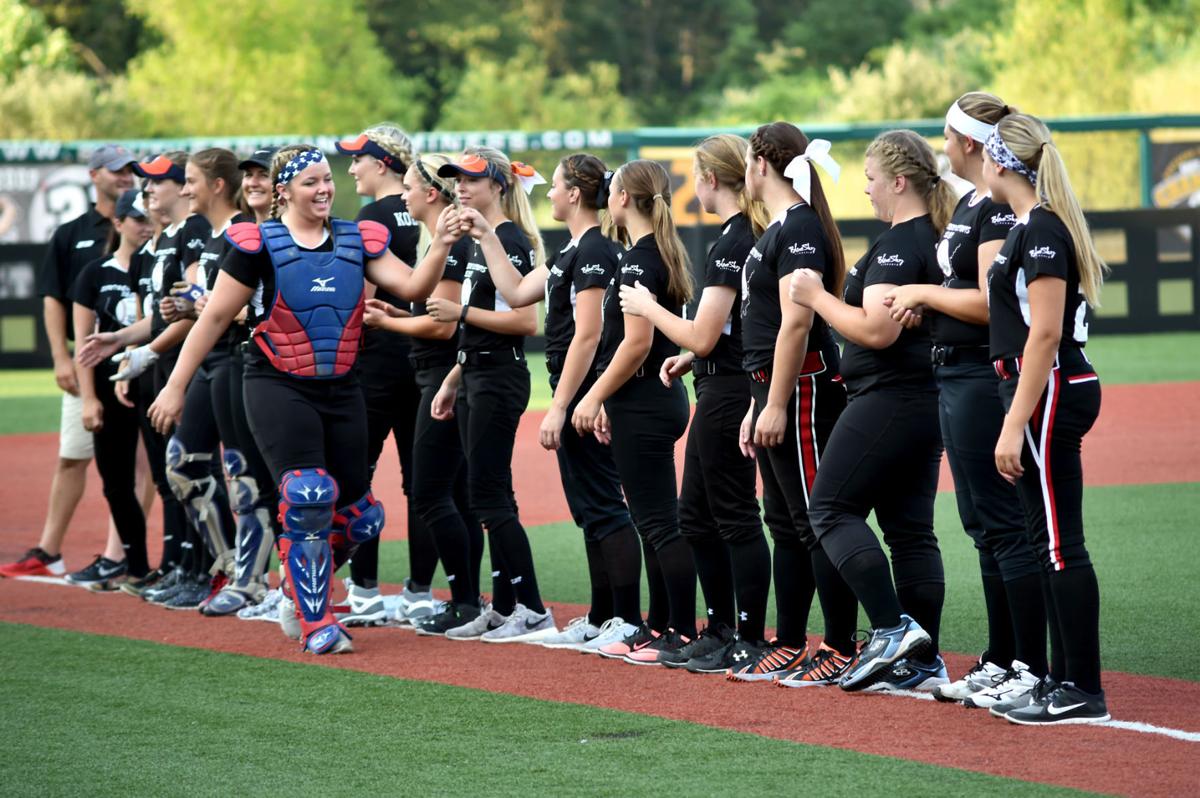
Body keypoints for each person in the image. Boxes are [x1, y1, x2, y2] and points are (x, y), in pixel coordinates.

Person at [148, 144, 448, 654]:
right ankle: (316, 621)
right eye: (311, 182)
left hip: (342, 386)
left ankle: (297, 575)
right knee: (308, 495)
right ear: (283, 190)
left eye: (327, 180)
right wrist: (175, 386)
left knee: (362, 518)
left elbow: (415, 285)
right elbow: (215, 318)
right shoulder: (255, 243)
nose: (325, 189)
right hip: (274, 383)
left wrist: (440, 240)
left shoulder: (359, 240)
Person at [885, 93, 1048, 705]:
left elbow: (986, 301)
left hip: (981, 375)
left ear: (971, 143)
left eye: (949, 135)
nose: (942, 144)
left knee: (1003, 525)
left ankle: (1027, 662)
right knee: (982, 525)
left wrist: (922, 291)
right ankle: (1003, 657)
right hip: (952, 374)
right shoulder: (974, 201)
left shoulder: (998, 210)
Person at [789, 129, 953, 693]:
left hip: (889, 397)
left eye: (871, 178)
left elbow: (875, 331)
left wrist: (816, 297)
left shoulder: (900, 243)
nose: (865, 189)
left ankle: (890, 629)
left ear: (899, 182)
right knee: (910, 532)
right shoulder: (934, 235)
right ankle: (922, 660)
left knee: (830, 510)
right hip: (923, 398)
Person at [461, 152, 642, 652]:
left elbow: (588, 335)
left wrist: (561, 405)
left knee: (604, 506)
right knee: (588, 508)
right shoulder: (572, 250)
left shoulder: (597, 250)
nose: (551, 194)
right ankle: (603, 615)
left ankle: (626, 620)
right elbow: (517, 292)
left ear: (575, 195)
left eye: (557, 186)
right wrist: (486, 234)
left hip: (584, 390)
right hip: (575, 385)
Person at [710, 123, 860, 686]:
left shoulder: (799, 228)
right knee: (784, 522)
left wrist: (774, 401)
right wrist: (757, 402)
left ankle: (842, 644)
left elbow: (797, 324)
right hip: (773, 389)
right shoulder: (780, 227)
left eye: (748, 161)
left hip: (801, 388)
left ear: (760, 166)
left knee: (812, 519)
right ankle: (792, 640)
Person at [617, 135, 772, 673]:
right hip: (718, 382)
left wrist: (647, 307)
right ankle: (722, 628)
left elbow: (707, 335)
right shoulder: (737, 234)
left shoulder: (735, 239)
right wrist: (690, 356)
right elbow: (719, 334)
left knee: (732, 515)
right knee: (696, 516)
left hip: (729, 392)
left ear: (709, 179)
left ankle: (747, 635)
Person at [980, 113, 1109, 725]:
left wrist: (1013, 423)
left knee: (1059, 544)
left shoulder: (1042, 230)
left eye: (987, 153)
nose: (981, 162)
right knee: (1044, 541)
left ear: (1003, 163)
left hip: (1050, 386)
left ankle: (1082, 687)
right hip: (1038, 388)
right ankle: (1060, 678)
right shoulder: (1030, 227)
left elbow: (1047, 333)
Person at [424, 148, 557, 643]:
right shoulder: (481, 237)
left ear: (498, 186)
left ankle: (534, 609)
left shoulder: (507, 238)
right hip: (476, 376)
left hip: (500, 377)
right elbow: (481, 325)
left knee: (488, 496)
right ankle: (505, 608)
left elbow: (525, 321)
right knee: (493, 495)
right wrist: (453, 379)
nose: (460, 186)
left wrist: (460, 315)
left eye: (471, 179)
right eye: (456, 179)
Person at [571, 159, 698, 665]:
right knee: (655, 520)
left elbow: (636, 345)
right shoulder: (650, 254)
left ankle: (681, 631)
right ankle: (661, 626)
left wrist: (593, 395)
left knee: (659, 522)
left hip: (645, 401)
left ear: (624, 199)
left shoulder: (638, 260)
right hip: (652, 400)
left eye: (612, 189)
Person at [0, 145, 136, 582]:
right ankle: (49, 550)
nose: (126, 177)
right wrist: (62, 357)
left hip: (136, 360)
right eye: (116, 171)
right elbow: (54, 300)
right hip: (87, 364)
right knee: (72, 456)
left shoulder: (146, 226)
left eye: (130, 170)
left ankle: (122, 554)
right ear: (94, 175)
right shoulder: (71, 232)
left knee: (138, 465)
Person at [363, 154, 484, 636]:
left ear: (431, 194)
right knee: (452, 494)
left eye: (410, 187)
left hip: (445, 376)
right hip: (436, 376)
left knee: (434, 495)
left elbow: (443, 322)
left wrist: (389, 320)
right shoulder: (432, 242)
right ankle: (470, 600)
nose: (403, 195)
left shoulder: (448, 246)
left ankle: (466, 601)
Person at [336, 125, 439, 626]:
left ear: (382, 163)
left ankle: (366, 591)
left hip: (375, 362)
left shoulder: (369, 217)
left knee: (359, 478)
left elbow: (349, 296)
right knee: (422, 483)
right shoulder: (429, 210)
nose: (352, 168)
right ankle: (420, 591)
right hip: (425, 360)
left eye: (358, 159)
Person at [69, 188, 154, 591]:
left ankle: (188, 563)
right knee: (115, 480)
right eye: (136, 219)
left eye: (147, 217)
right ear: (118, 223)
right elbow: (83, 343)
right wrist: (87, 398)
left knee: (172, 473)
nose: (144, 225)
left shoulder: (156, 264)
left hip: (152, 380)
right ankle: (135, 565)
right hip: (107, 386)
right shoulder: (94, 273)